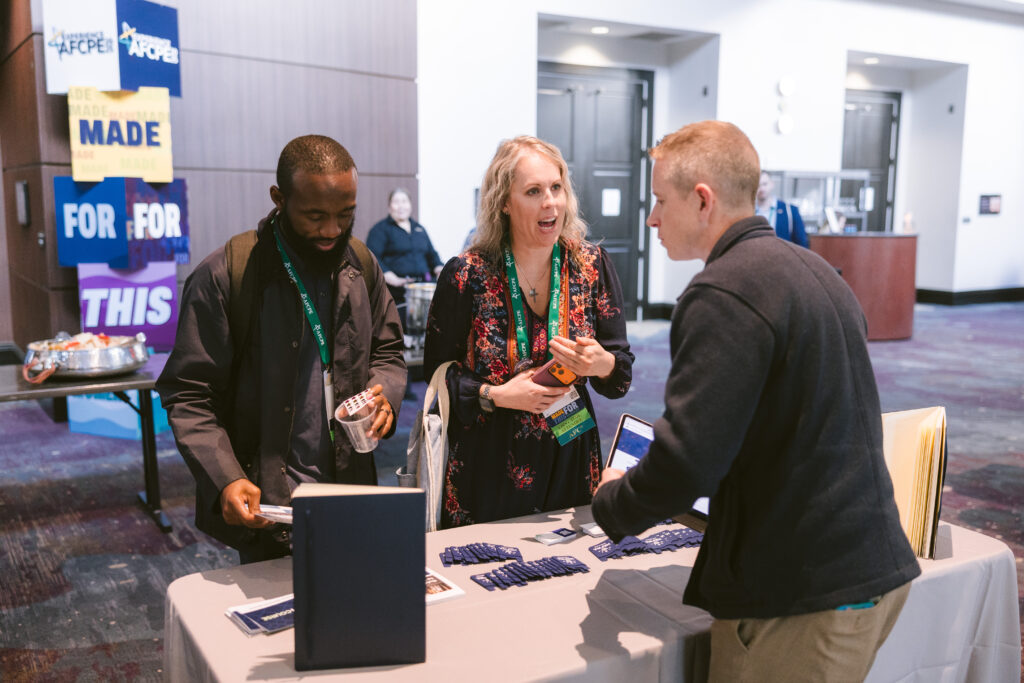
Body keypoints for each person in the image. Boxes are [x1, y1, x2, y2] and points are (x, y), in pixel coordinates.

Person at [592, 121, 919, 681]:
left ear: (702, 200)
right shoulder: (816, 270)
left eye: (660, 201)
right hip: (868, 564)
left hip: (804, 591)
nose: (651, 219)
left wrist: (613, 503)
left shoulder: (723, 291)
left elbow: (687, 460)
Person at [157, 135, 406, 564]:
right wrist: (225, 477)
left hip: (350, 487)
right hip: (269, 500)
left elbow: (388, 350)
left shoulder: (360, 264)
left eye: (346, 214)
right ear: (279, 198)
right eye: (315, 216)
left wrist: (386, 392)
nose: (332, 230)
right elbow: (189, 393)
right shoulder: (226, 275)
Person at [424, 136, 634, 529]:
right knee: (487, 562)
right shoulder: (467, 274)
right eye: (533, 191)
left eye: (556, 188)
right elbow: (436, 374)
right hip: (489, 460)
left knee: (570, 562)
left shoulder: (590, 265)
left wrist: (602, 363)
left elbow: (619, 375)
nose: (550, 202)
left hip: (570, 452)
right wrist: (496, 395)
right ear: (504, 201)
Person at [366, 188, 444, 331]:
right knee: (403, 332)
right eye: (396, 202)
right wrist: (393, 278)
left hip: (423, 289)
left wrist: (440, 269)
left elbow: (432, 254)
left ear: (410, 205)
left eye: (404, 201)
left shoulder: (419, 229)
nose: (401, 206)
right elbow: (372, 258)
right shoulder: (380, 230)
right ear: (389, 206)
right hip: (397, 292)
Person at [756, 170, 808, 246]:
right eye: (758, 185)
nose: (762, 189)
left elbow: (802, 244)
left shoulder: (790, 211)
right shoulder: (748, 213)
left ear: (772, 184)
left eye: (765, 184)